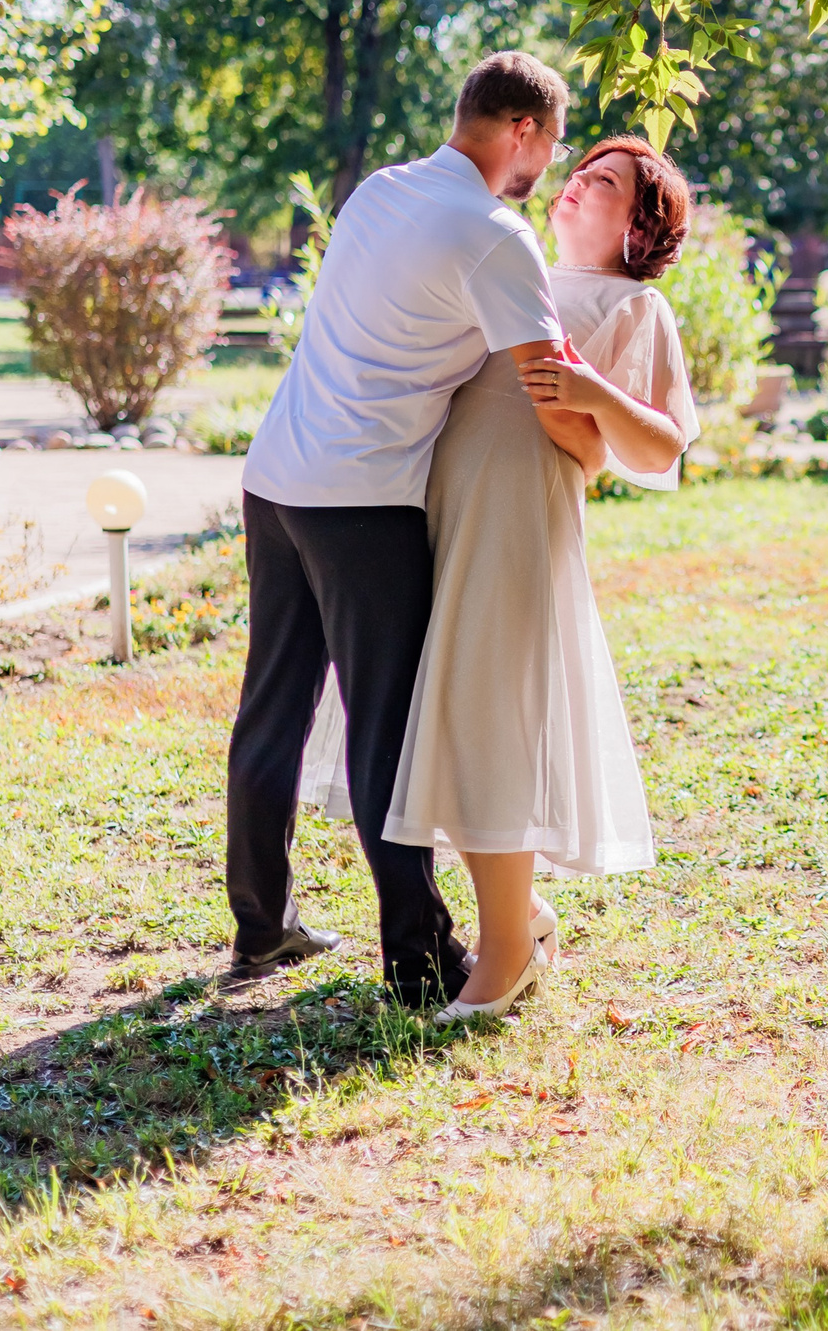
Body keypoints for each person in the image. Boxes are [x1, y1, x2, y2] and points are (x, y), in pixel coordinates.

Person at [223, 51, 598, 1011]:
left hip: (277, 476)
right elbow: (548, 382)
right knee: (388, 729)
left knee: (275, 705)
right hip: (363, 501)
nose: (549, 168)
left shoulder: (379, 192)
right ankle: (422, 959)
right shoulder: (492, 235)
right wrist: (594, 457)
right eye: (551, 144)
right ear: (522, 129)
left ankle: (262, 927)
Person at [382, 135, 700, 1021]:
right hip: (444, 500)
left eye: (606, 182)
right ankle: (521, 913)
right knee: (444, 706)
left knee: (493, 714)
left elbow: (658, 446)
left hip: (519, 516)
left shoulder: (635, 309)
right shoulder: (508, 258)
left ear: (640, 227)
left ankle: (508, 953)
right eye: (580, 170)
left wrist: (596, 395)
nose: (577, 185)